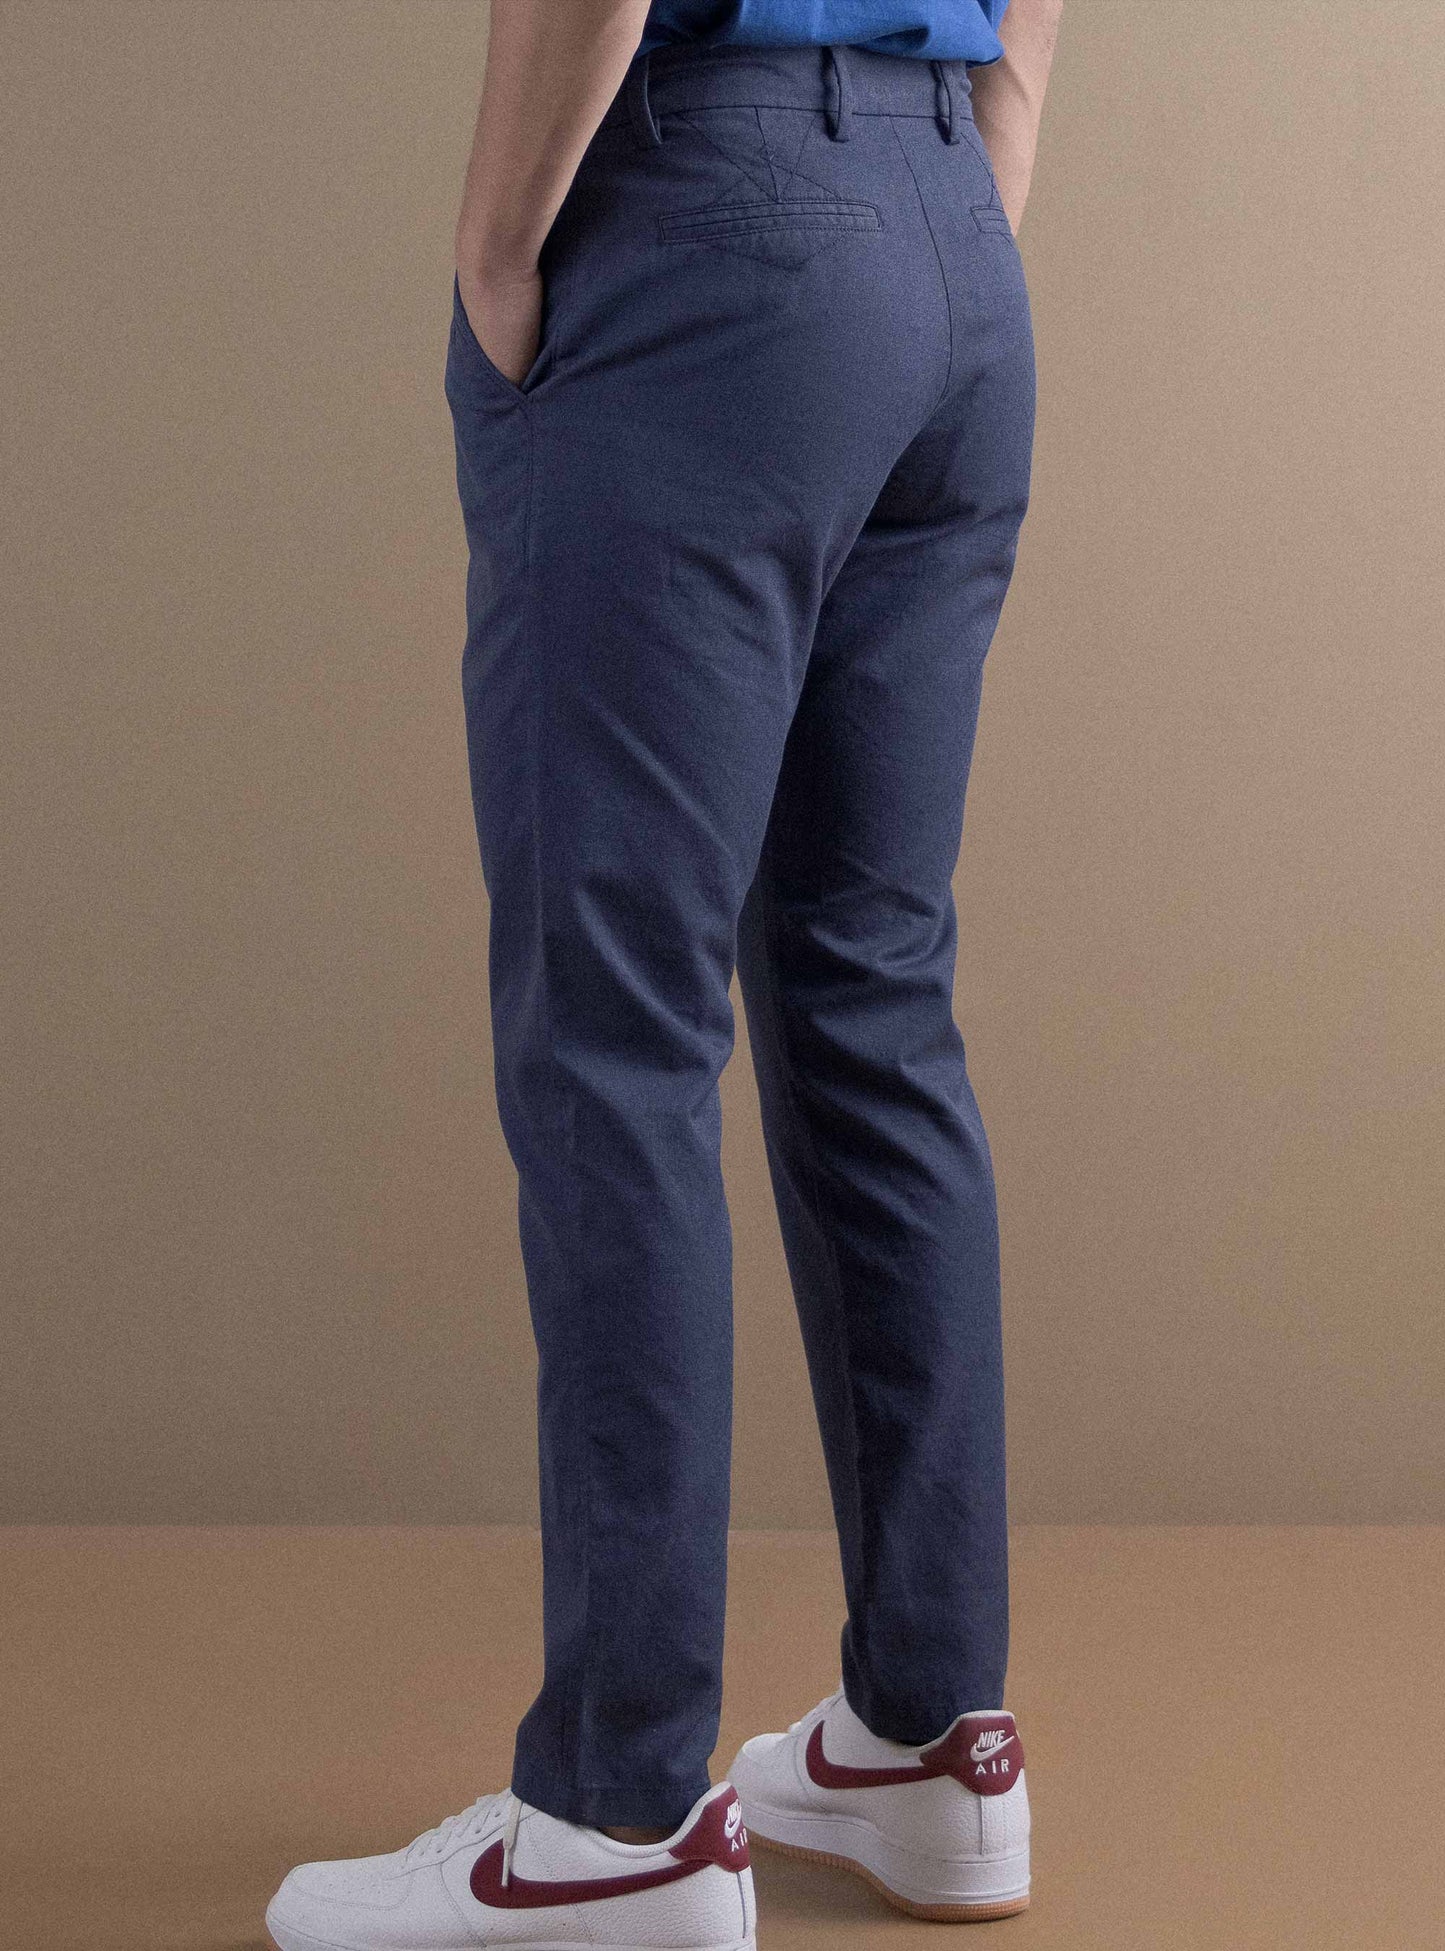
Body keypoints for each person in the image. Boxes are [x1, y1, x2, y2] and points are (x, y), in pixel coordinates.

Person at [266, 0, 1062, 1945]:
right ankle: (929, 1741)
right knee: (873, 994)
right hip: (950, 246)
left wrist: (495, 248)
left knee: (616, 1035)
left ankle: (613, 1825)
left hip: (706, 229)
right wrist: (975, 157)